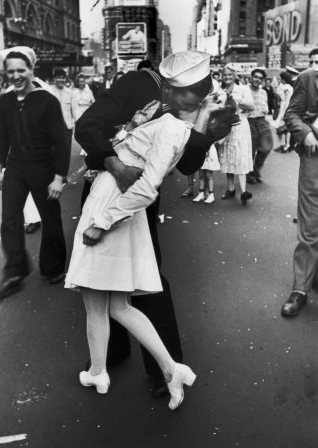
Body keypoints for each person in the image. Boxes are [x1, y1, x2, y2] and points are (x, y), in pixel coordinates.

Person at [65, 54, 222, 410]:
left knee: (143, 279)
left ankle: (158, 368)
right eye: (189, 91)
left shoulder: (195, 104)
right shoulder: (134, 84)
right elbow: (87, 126)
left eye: (202, 90)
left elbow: (186, 164)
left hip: (134, 199)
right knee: (106, 286)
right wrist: (113, 162)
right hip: (109, 184)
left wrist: (207, 133)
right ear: (166, 84)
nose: (194, 98)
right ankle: (108, 357)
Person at [0, 46, 70, 299]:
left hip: (43, 166)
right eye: (11, 71)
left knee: (50, 218)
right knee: (10, 219)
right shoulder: (6, 100)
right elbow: (2, 136)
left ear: (31, 70)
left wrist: (58, 177)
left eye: (21, 70)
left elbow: (62, 140)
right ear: (5, 73)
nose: (16, 75)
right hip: (16, 166)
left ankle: (53, 267)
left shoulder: (47, 100)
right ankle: (15, 270)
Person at [280, 50, 318, 317]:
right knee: (310, 226)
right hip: (314, 159)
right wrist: (305, 133)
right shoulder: (307, 78)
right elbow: (291, 115)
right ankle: (300, 288)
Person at [217, 65, 254, 205]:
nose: (227, 77)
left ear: (235, 76)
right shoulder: (219, 91)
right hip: (225, 126)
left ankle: (244, 191)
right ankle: (231, 189)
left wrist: (236, 100)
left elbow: (251, 106)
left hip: (240, 125)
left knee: (241, 155)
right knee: (228, 155)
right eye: (224, 75)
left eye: (229, 75)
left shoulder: (243, 89)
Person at [246, 68, 273, 184]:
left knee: (266, 146)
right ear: (251, 77)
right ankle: (249, 173)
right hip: (249, 121)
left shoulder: (263, 92)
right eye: (255, 77)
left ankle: (256, 169)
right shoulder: (245, 90)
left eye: (260, 78)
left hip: (262, 121)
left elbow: (266, 108)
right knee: (250, 150)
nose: (257, 79)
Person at [51, 69, 75, 155]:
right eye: (58, 77)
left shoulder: (70, 93)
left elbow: (75, 111)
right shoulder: (49, 92)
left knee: (66, 152)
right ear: (54, 79)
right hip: (52, 127)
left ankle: (64, 168)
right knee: (53, 152)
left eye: (63, 78)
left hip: (66, 128)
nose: (60, 80)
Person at [272, 71, 293, 153]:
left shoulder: (286, 87)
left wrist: (286, 112)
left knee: (286, 128)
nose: (280, 80)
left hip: (285, 108)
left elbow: (287, 100)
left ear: (284, 79)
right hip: (285, 107)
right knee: (285, 128)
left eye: (281, 78)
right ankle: (285, 144)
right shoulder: (289, 87)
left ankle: (287, 145)